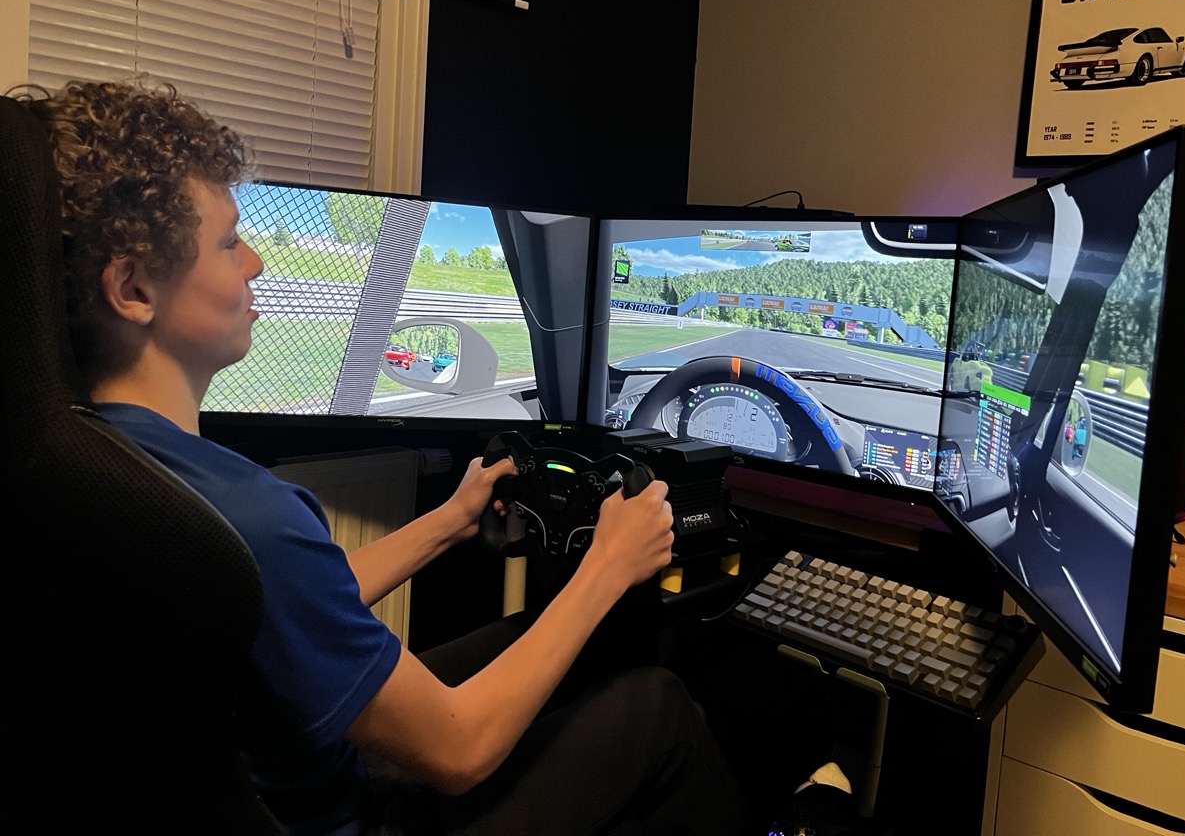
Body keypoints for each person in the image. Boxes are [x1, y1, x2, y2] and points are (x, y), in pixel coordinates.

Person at [17, 79, 747, 836]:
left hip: (259, 782)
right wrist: (609, 566)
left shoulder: (98, 459)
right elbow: (458, 749)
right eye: (230, 242)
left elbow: (281, 602)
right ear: (133, 288)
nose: (256, 262)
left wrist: (449, 521)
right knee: (658, 707)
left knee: (551, 642)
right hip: (346, 817)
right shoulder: (250, 514)